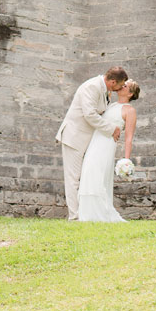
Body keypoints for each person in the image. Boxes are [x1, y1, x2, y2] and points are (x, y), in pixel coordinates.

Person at [56, 65, 128, 221]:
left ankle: (85, 213)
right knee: (73, 178)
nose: (122, 88)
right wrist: (111, 128)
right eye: (121, 85)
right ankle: (74, 217)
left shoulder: (106, 89)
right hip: (74, 136)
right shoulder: (92, 87)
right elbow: (89, 115)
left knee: (85, 176)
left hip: (88, 139)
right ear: (113, 82)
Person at [78, 79, 140, 222]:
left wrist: (126, 160)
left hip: (106, 146)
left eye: (125, 86)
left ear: (130, 93)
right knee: (88, 174)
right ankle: (86, 215)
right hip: (94, 143)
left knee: (99, 177)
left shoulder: (130, 111)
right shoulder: (110, 105)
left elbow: (129, 138)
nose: (122, 86)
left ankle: (101, 214)